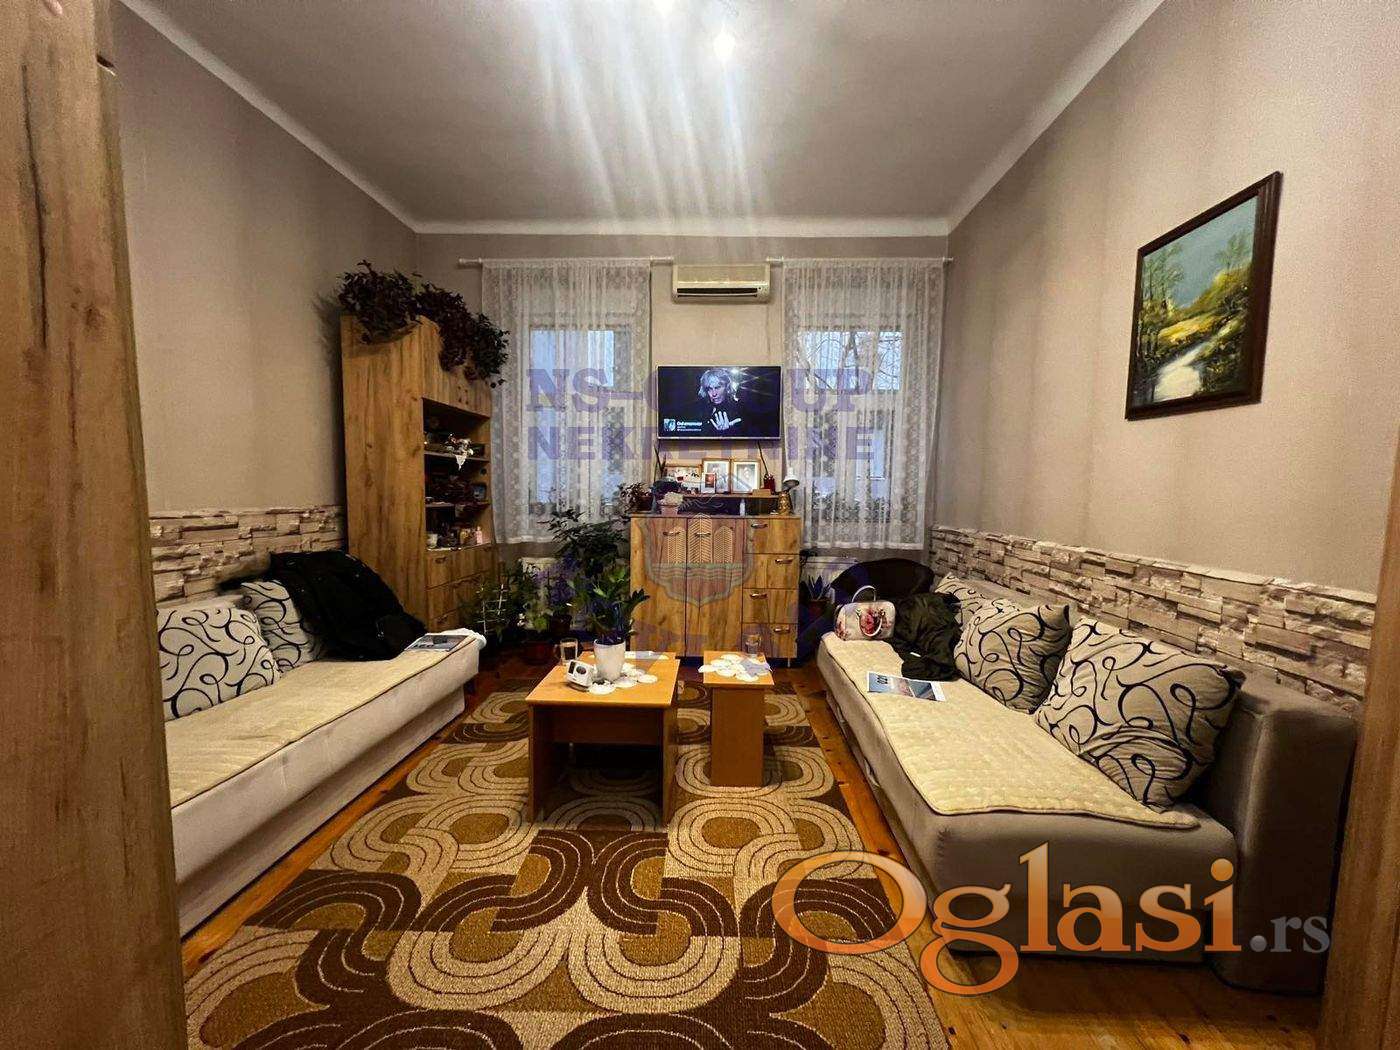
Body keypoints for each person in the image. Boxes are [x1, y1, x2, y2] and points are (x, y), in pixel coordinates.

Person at [695, 368, 749, 434]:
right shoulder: (698, 409)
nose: (714, 393)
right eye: (709, 389)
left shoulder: (740, 409)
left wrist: (727, 432)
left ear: (727, 387)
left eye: (717, 387)